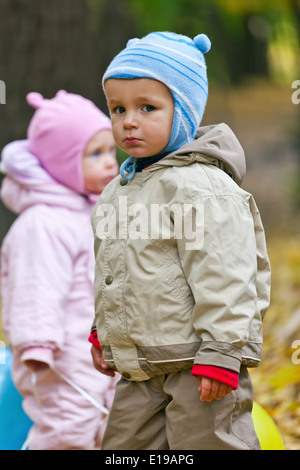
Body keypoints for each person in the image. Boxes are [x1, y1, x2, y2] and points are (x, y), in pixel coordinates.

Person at [89, 32, 271, 450]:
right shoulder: (119, 190)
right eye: (118, 109)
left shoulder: (202, 187)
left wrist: (223, 351)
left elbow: (228, 275)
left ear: (184, 111)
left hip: (199, 363)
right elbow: (114, 269)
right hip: (140, 365)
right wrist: (104, 331)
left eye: (147, 107)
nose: (128, 120)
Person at [0, 90, 119, 450]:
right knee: (67, 431)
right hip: (59, 357)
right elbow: (35, 288)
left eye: (111, 150)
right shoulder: (43, 224)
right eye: (95, 154)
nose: (110, 163)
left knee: (109, 427)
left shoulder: (90, 213)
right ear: (62, 164)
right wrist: (36, 344)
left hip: (101, 354)